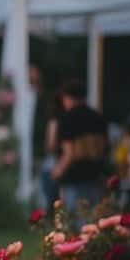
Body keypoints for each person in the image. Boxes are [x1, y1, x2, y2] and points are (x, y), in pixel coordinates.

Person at [51, 79, 109, 210]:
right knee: (93, 222)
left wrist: (57, 172)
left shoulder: (67, 119)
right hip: (96, 178)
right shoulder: (98, 117)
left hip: (74, 180)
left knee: (75, 222)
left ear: (67, 97)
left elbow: (69, 153)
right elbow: (104, 149)